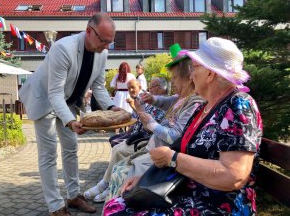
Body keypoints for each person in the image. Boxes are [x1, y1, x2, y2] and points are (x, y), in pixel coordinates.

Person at [104, 37, 263, 216]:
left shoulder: (239, 104)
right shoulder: (205, 107)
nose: (191, 75)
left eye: (195, 67)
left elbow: (233, 176)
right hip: (186, 192)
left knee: (118, 211)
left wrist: (172, 158)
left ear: (210, 74)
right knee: (116, 205)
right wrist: (146, 179)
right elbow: (186, 152)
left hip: (217, 205)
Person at [19, 13, 120, 216]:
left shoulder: (102, 53)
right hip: (44, 99)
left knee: (71, 149)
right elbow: (54, 93)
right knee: (48, 154)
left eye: (110, 42)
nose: (107, 46)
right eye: (104, 41)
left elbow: (98, 86)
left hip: (69, 102)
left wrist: (112, 108)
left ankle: (73, 196)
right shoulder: (63, 48)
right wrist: (72, 122)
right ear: (89, 31)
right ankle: (55, 206)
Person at [105, 44, 205, 201]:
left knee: (122, 171)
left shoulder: (193, 103)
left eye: (175, 77)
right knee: (120, 166)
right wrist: (152, 99)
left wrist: (150, 123)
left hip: (162, 157)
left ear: (188, 78)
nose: (172, 81)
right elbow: (164, 101)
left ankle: (118, 202)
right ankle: (113, 198)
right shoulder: (180, 98)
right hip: (154, 151)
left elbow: (174, 137)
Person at [84, 78, 166, 202]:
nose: (150, 88)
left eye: (153, 85)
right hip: (135, 135)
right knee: (117, 146)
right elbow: (134, 120)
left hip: (145, 139)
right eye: (150, 85)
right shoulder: (151, 103)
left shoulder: (163, 106)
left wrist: (137, 109)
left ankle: (107, 185)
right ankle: (107, 183)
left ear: (162, 88)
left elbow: (150, 129)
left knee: (118, 150)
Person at [109, 78, 168, 147]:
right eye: (129, 88)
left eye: (153, 86)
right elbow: (138, 119)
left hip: (142, 138)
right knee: (112, 139)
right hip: (135, 132)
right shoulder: (152, 101)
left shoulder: (147, 99)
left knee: (115, 143)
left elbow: (149, 128)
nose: (150, 88)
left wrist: (134, 107)